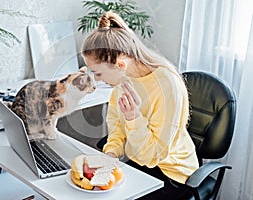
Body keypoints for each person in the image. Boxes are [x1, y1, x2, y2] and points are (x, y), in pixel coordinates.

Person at [81, 11, 199, 199]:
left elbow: (152, 155)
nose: (96, 79)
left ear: (120, 65)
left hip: (171, 172)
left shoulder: (167, 85)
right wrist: (111, 153)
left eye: (98, 73)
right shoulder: (123, 79)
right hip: (137, 159)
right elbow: (116, 124)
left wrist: (133, 118)